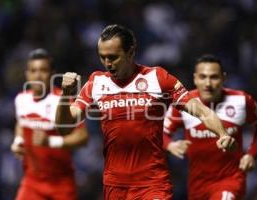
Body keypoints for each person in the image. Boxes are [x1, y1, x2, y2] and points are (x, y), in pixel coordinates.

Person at [56, 24, 235, 200]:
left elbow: (202, 112)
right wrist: (65, 96)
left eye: (113, 57)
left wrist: (222, 133)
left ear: (131, 52)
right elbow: (64, 128)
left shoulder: (157, 78)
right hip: (115, 186)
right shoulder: (96, 82)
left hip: (153, 183)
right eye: (102, 57)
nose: (107, 63)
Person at [163, 54, 257, 200]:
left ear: (223, 78)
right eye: (202, 77)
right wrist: (170, 145)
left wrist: (252, 154)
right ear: (195, 79)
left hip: (230, 180)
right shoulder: (183, 105)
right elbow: (161, 133)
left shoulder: (241, 100)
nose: (208, 83)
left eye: (214, 77)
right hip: (197, 185)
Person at [11, 48, 89, 200]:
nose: (38, 75)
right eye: (33, 70)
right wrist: (18, 141)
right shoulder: (21, 99)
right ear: (27, 74)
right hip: (32, 183)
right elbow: (20, 124)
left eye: (43, 70)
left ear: (52, 74)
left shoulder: (63, 101)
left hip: (61, 184)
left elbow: (82, 137)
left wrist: (50, 141)